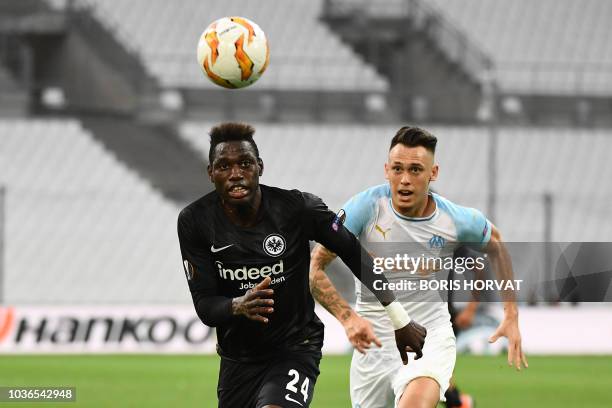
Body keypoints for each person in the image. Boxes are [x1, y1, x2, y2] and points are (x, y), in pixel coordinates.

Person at [177, 122, 427, 408]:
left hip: (295, 347)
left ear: (260, 166)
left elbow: (354, 253)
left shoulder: (297, 209)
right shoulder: (194, 221)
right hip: (237, 358)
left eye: (245, 163)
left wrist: (399, 319)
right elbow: (206, 306)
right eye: (224, 166)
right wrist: (237, 305)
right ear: (211, 174)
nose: (236, 174)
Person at [310, 126, 528, 408]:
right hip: (373, 349)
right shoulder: (364, 208)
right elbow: (315, 268)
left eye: (415, 170)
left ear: (433, 173)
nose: (404, 180)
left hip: (429, 341)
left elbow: (496, 244)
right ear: (386, 170)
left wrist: (511, 314)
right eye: (398, 169)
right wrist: (348, 318)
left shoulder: (454, 219)